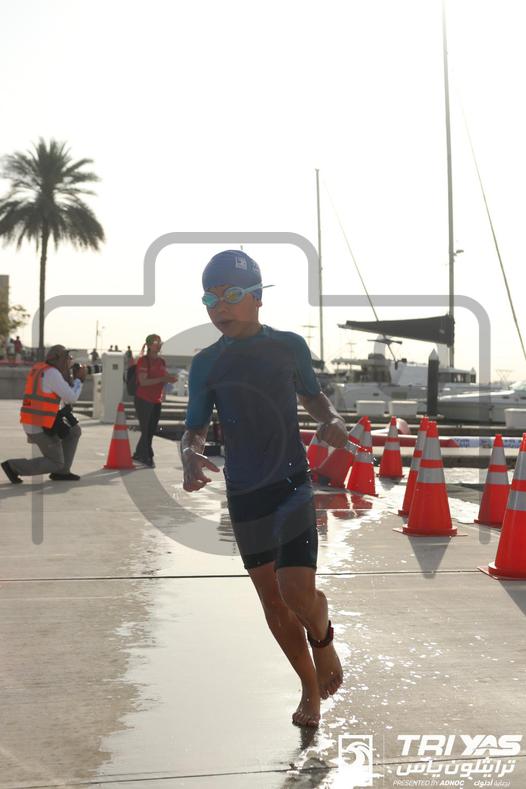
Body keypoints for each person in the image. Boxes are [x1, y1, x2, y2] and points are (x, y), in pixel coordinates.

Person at [181, 250, 347, 729]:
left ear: (257, 298)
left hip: (291, 483)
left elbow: (312, 395)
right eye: (210, 298)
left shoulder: (288, 346)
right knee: (272, 601)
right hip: (245, 493)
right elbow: (195, 427)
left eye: (231, 295)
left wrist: (332, 419)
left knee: (297, 592)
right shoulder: (206, 363)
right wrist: (190, 454)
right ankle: (309, 688)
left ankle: (323, 636)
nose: (219, 307)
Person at [1, 345, 86, 484]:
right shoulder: (52, 373)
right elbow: (71, 398)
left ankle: (62, 472)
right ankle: (13, 466)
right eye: (67, 358)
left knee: (74, 431)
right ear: (59, 359)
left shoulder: (40, 368)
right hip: (39, 425)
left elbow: (62, 397)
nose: (69, 362)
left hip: (38, 420)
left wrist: (69, 377)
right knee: (56, 462)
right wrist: (79, 380)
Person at [133, 334, 177, 467]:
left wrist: (170, 378)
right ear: (149, 345)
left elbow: (164, 376)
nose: (158, 345)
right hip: (143, 399)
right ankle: (147, 456)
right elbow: (143, 381)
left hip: (156, 400)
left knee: (151, 429)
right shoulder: (143, 361)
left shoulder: (161, 361)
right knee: (146, 429)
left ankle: (139, 453)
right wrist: (162, 379)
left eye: (159, 342)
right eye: (155, 343)